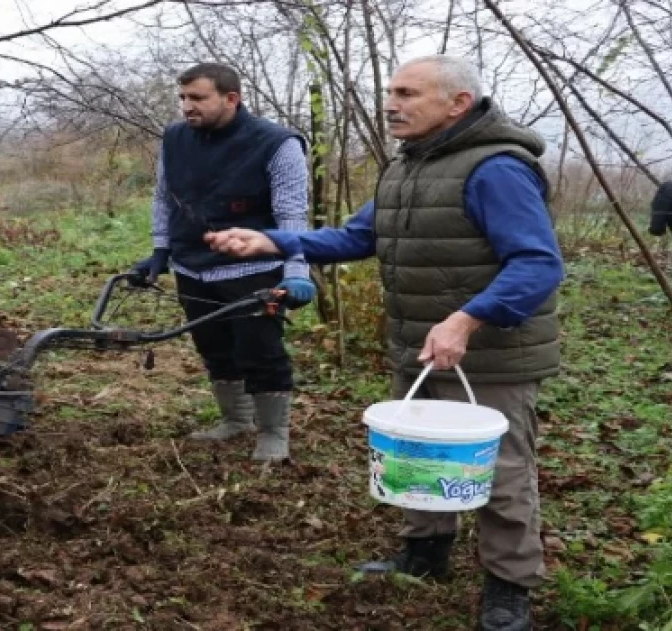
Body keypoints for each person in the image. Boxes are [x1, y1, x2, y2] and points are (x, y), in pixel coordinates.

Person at [204, 55, 564, 631]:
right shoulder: (408, 166)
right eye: (390, 92)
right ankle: (425, 555)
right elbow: (357, 236)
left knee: (501, 473)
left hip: (492, 355)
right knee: (417, 454)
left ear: (458, 104)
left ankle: (509, 586)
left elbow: (537, 263)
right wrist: (273, 242)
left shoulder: (496, 169)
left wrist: (466, 321)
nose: (391, 104)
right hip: (420, 347)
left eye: (407, 93)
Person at [129, 62, 316, 463]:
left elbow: (291, 215)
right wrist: (161, 250)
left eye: (197, 98)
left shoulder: (277, 143)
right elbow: (164, 197)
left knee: (260, 350)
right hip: (192, 265)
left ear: (231, 98)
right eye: (182, 97)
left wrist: (297, 270)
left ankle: (273, 431)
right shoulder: (175, 138)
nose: (186, 106)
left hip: (253, 269)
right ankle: (236, 419)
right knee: (213, 347)